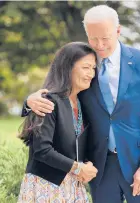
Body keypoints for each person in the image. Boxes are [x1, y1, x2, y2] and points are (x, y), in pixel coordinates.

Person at [22, 5, 140, 203]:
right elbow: (58, 92)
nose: (99, 45)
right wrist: (29, 102)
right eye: (93, 38)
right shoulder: (83, 64)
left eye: (105, 38)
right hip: (100, 168)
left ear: (118, 31)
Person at [18, 42, 98, 203]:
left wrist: (87, 166)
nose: (91, 74)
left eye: (94, 68)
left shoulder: (83, 104)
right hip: (46, 186)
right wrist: (78, 168)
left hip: (73, 185)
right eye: (86, 67)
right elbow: (42, 150)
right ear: (68, 67)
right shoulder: (47, 101)